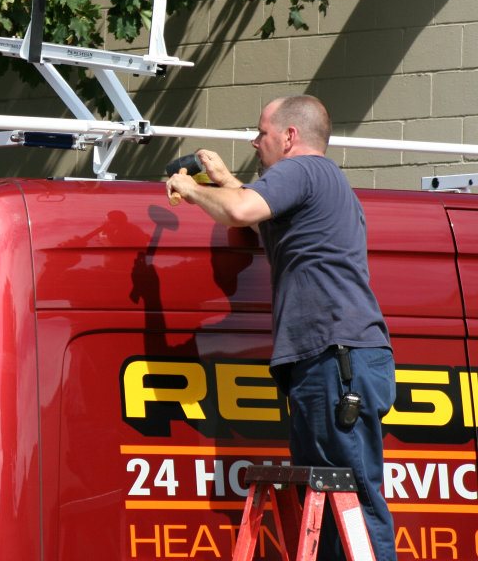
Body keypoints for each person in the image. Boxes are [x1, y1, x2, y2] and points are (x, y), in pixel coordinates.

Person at [165, 95, 396, 561]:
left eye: (262, 132)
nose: (255, 142)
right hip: (335, 359)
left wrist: (189, 190)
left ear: (290, 136)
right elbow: (261, 224)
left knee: (356, 503)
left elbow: (241, 213)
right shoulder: (325, 183)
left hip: (335, 360)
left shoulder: (301, 170)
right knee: (335, 503)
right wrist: (227, 180)